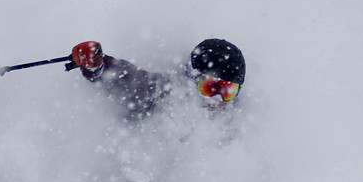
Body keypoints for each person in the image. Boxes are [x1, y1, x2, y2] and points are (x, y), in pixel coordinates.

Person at [70, 38, 246, 118]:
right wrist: (98, 67)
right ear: (191, 78)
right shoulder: (166, 95)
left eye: (228, 91)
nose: (217, 99)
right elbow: (130, 80)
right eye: (209, 87)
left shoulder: (242, 117)